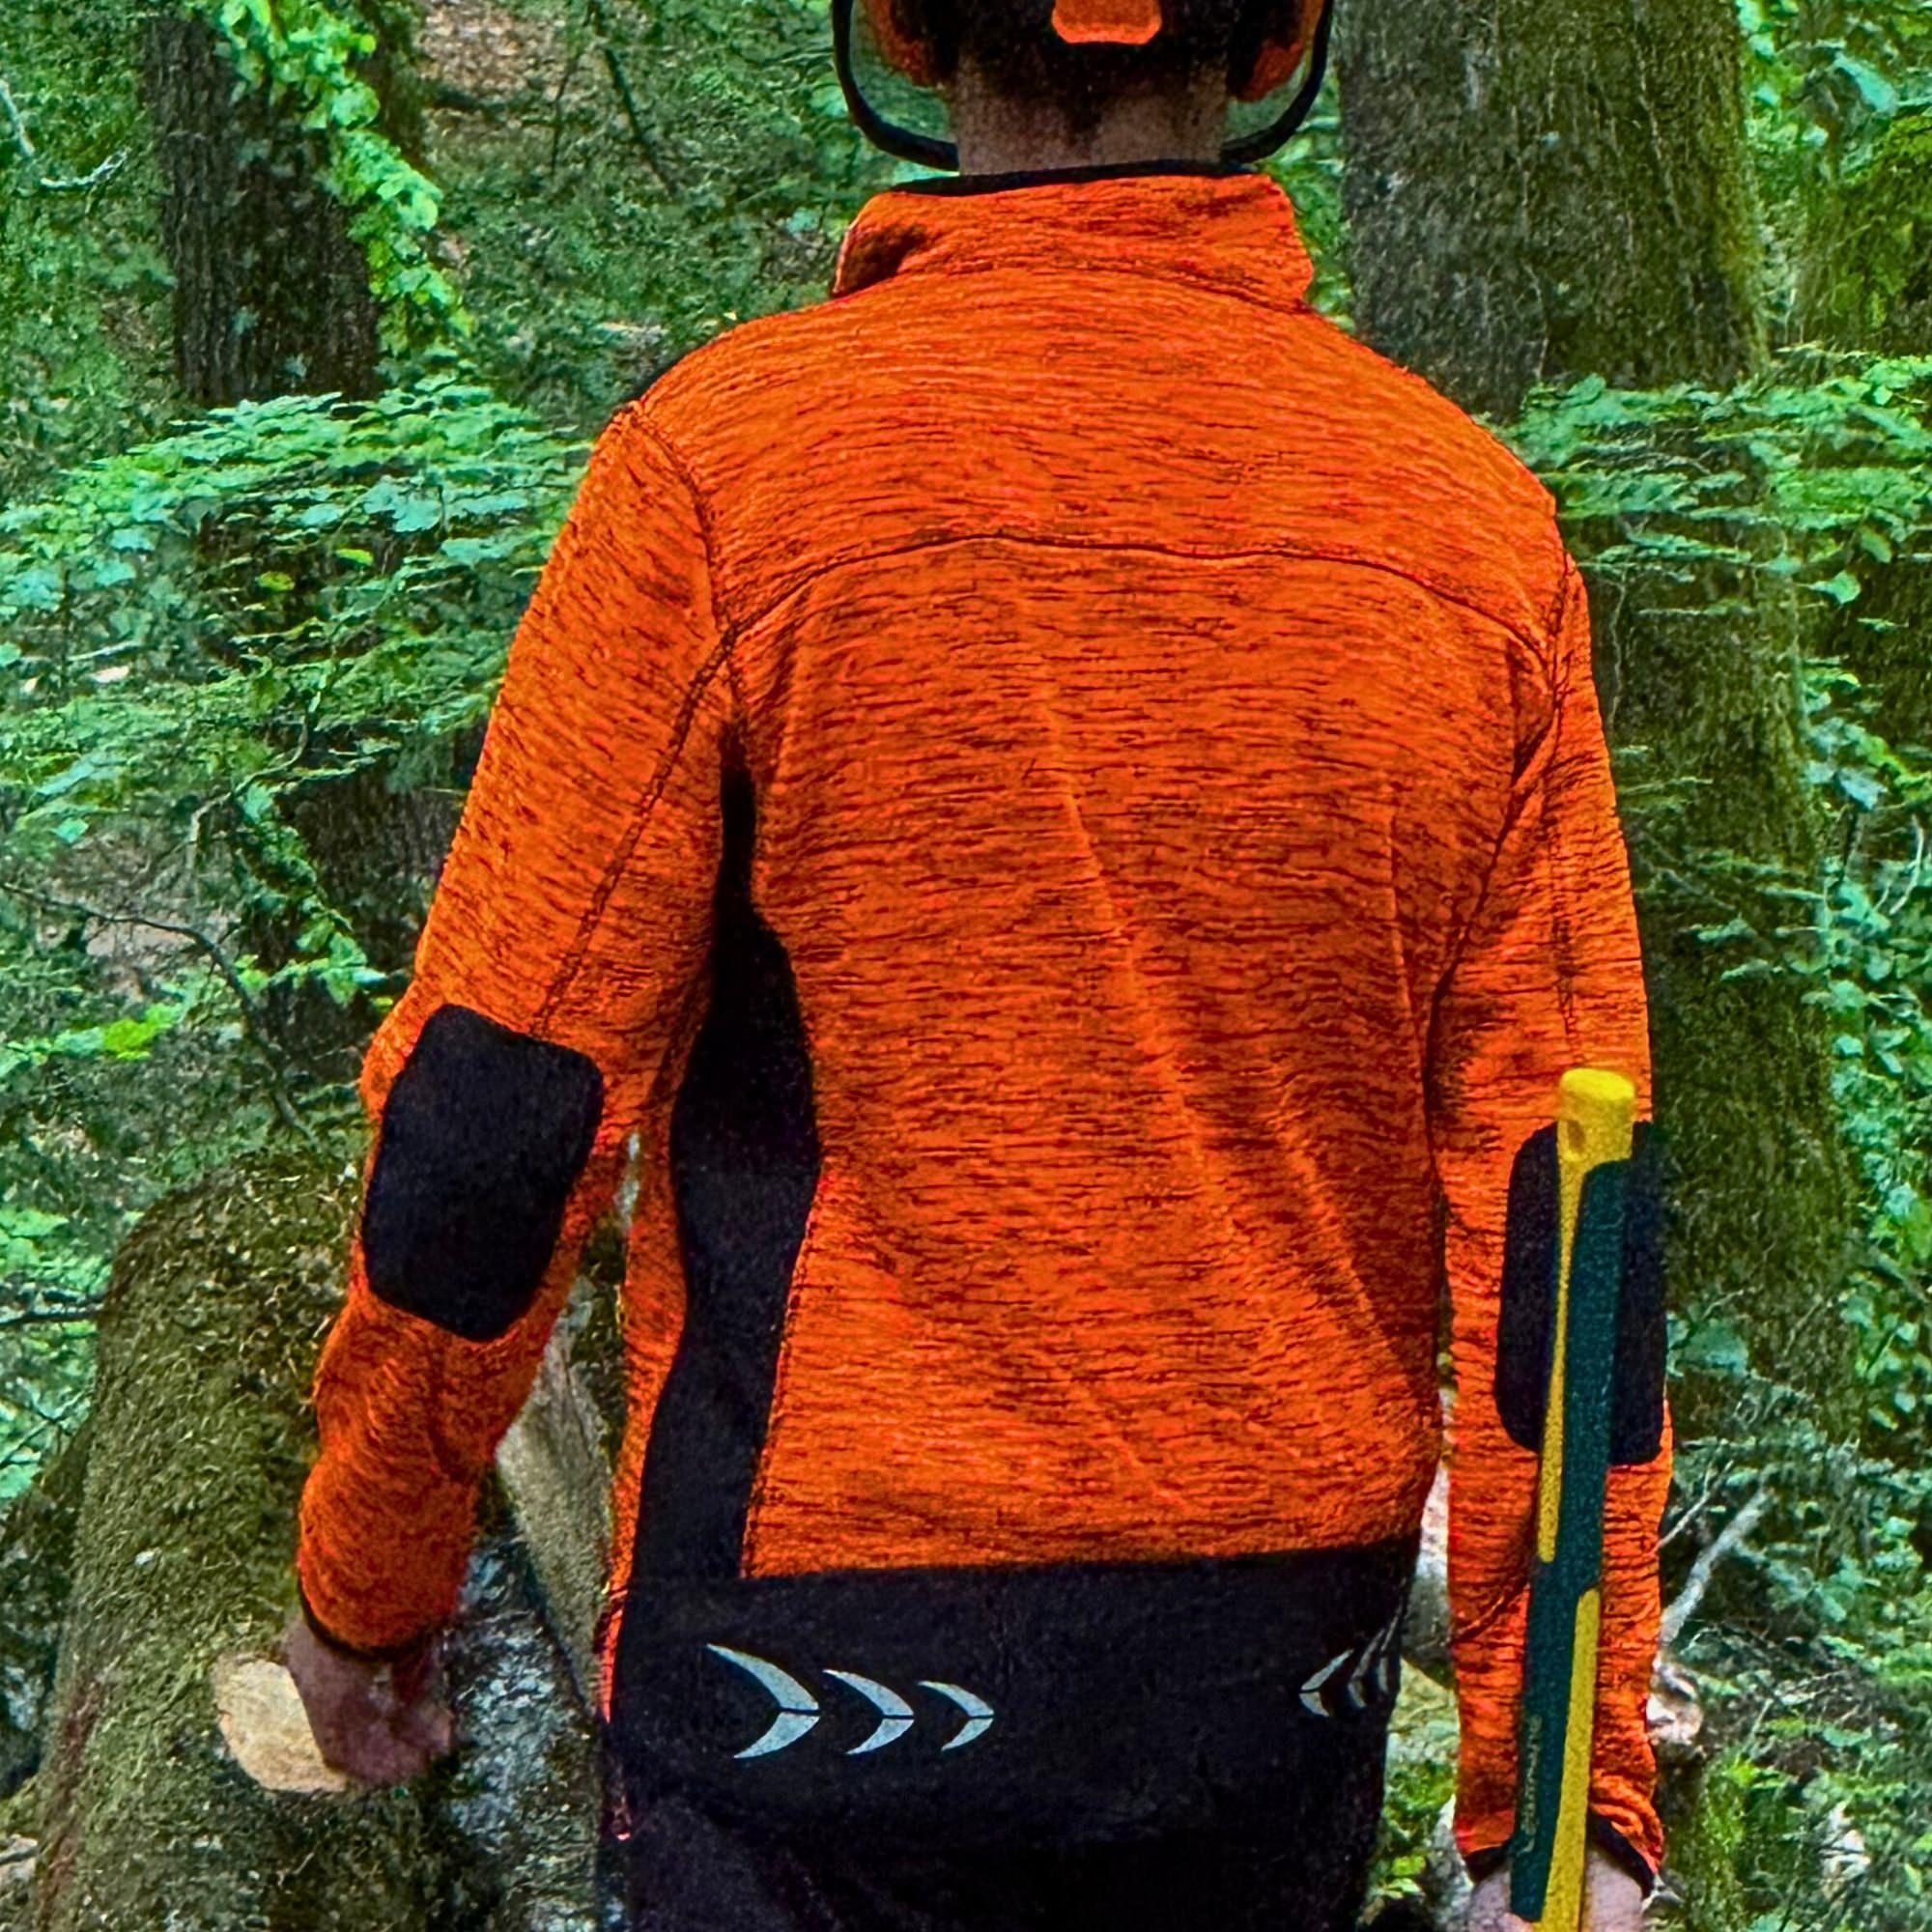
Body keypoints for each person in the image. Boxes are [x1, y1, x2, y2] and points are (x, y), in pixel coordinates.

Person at [282, 0, 1674, 1926]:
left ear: (909, 35)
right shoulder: (1468, 538)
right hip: (1264, 1693)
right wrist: (1565, 1796)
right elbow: (1567, 1209)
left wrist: (369, 1582)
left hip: (799, 1690)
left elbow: (498, 1119)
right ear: (1274, 38)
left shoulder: (726, 478)